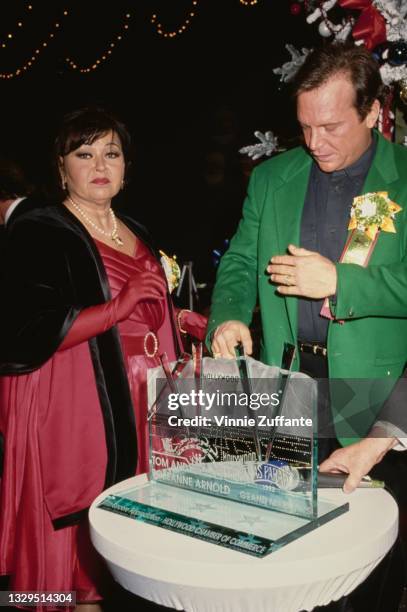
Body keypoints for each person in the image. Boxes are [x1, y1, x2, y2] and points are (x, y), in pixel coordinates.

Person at [207, 43, 407, 609]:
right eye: (304, 127)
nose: (315, 144)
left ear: (373, 112)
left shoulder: (404, 180)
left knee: (368, 569)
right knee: (287, 559)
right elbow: (241, 262)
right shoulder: (273, 178)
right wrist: (226, 316)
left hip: (380, 393)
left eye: (331, 126)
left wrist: (342, 283)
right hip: (288, 387)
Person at [0, 107, 206, 611]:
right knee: (76, 533)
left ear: (126, 166)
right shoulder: (40, 229)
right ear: (61, 166)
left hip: (142, 399)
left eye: (111, 153)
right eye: (84, 153)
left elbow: (146, 311)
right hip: (79, 404)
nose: (99, 164)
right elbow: (25, 329)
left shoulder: (134, 228)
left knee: (126, 531)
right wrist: (118, 306)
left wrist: (178, 322)